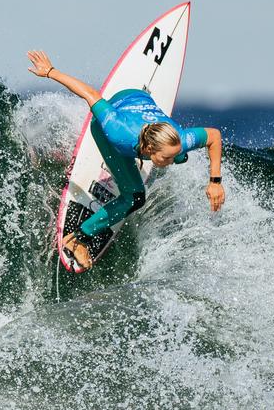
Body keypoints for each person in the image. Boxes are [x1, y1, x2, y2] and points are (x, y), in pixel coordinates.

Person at [27, 50, 225, 269]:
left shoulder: (178, 137)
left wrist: (215, 181)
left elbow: (213, 136)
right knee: (135, 198)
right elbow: (91, 95)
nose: (168, 162)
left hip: (140, 97)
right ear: (149, 149)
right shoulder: (118, 131)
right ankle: (77, 239)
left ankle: (174, 155)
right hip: (115, 118)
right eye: (165, 157)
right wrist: (51, 72)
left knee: (181, 154)